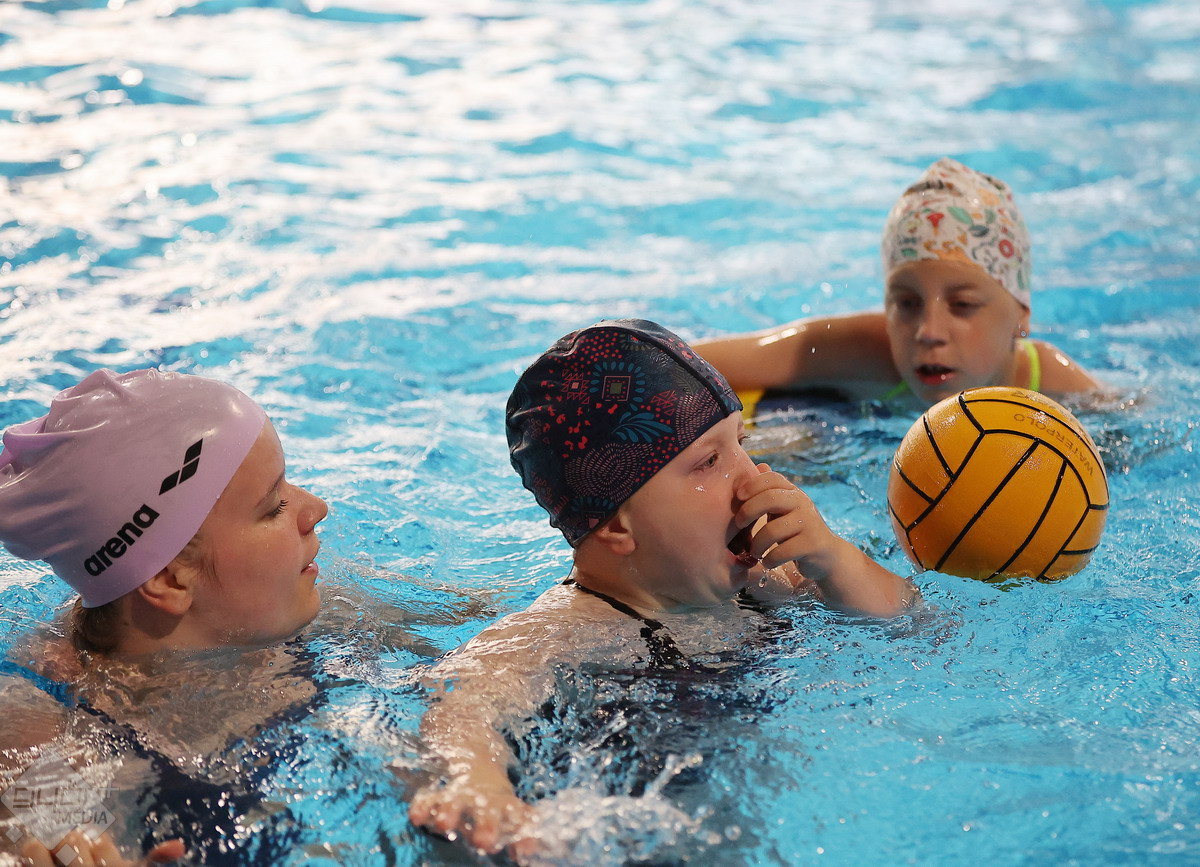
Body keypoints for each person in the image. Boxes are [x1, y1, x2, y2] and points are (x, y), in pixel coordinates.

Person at [407, 319, 917, 858]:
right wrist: (476, 783)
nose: (754, 479)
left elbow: (912, 619)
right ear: (616, 524)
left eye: (741, 443)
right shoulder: (566, 631)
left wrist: (833, 558)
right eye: (709, 461)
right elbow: (463, 701)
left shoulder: (769, 579)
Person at [0, 367, 328, 864]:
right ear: (170, 579)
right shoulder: (39, 726)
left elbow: (461, 651)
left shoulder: (308, 606)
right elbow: (60, 841)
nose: (316, 508)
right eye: (274, 505)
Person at [694, 158, 1103, 414]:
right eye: (907, 303)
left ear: (1021, 316)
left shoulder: (1054, 387)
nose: (928, 331)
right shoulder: (866, 353)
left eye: (962, 304)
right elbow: (689, 365)